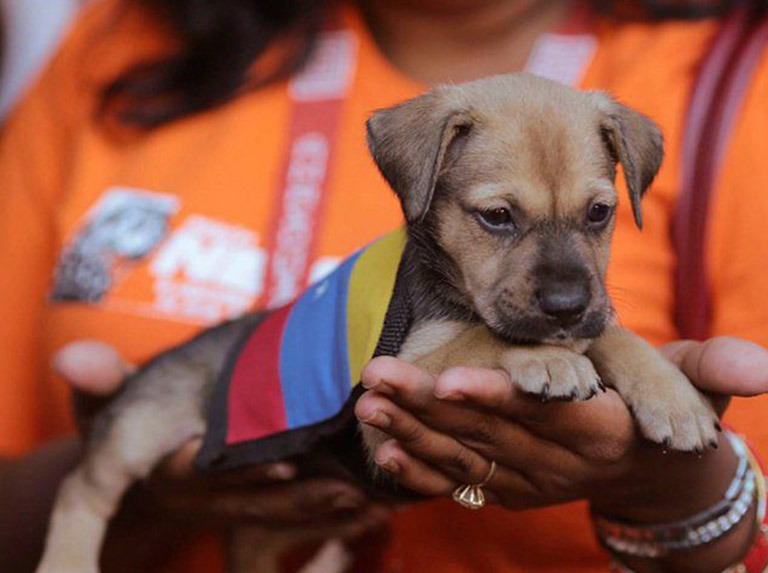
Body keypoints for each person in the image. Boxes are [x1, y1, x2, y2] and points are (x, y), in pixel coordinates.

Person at [2, 0, 768, 572]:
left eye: (597, 215)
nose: (565, 292)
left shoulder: (727, 81)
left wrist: (682, 492)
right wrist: (139, 492)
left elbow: (738, 503)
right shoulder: (127, 48)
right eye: (498, 217)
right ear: (419, 184)